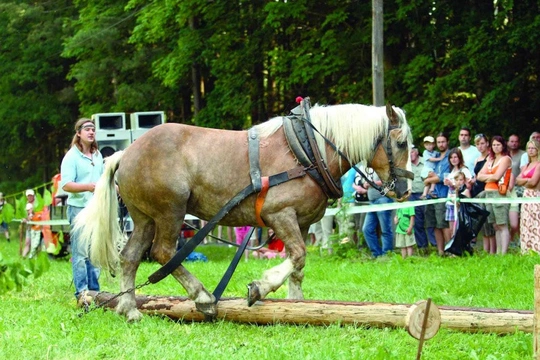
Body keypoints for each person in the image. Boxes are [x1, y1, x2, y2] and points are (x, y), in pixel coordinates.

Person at [60, 118, 104, 304]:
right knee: (80, 253)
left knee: (95, 252)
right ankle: (82, 293)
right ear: (78, 133)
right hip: (78, 209)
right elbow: (66, 185)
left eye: (93, 129)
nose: (91, 132)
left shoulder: (98, 155)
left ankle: (95, 292)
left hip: (96, 208)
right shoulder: (71, 156)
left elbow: (102, 181)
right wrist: (88, 187)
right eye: (87, 129)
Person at [477, 135, 512, 255]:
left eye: (498, 144)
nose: (496, 147)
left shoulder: (506, 159)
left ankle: (504, 253)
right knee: (495, 225)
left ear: (503, 145)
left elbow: (497, 176)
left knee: (502, 223)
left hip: (500, 193)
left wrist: (488, 177)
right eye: (494, 145)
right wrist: (490, 178)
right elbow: (479, 176)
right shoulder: (490, 159)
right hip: (488, 193)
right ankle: (498, 253)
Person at [424, 133, 451, 255]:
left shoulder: (450, 156)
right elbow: (426, 175)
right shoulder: (434, 156)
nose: (441, 144)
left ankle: (450, 249)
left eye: (443, 142)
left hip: (443, 195)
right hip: (432, 195)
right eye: (439, 142)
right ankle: (441, 251)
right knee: (434, 224)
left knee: (443, 224)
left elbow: (443, 177)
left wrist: (429, 180)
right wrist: (428, 179)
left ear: (447, 142)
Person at [361, 168, 394, 258]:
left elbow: (391, 182)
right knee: (367, 229)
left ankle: (387, 254)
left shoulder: (384, 167)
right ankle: (377, 254)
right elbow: (364, 184)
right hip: (372, 201)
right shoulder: (369, 169)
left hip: (384, 199)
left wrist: (373, 182)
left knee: (385, 229)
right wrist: (366, 184)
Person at [408, 146, 436, 252]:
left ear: (416, 152)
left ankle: (434, 244)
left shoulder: (425, 162)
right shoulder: (406, 165)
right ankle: (422, 247)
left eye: (411, 152)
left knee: (429, 220)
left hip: (425, 195)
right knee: (417, 222)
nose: (410, 155)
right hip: (412, 195)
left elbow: (432, 175)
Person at [472, 134, 496, 253]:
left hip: (487, 190)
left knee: (490, 223)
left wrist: (482, 178)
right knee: (483, 223)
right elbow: (477, 176)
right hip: (477, 191)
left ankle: (493, 251)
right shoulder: (477, 159)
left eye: (482, 143)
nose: (480, 146)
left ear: (487, 143)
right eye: (477, 144)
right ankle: (486, 251)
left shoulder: (491, 157)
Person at [516, 139, 540, 253]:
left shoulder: (539, 165)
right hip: (526, 196)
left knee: (536, 222)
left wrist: (524, 180)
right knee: (526, 222)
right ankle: (526, 249)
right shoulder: (526, 165)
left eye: (533, 148)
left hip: (535, 195)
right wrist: (526, 179)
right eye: (529, 148)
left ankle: (537, 248)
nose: (530, 150)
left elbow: (533, 182)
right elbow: (517, 180)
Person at [443, 148, 473, 232]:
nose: (453, 159)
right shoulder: (451, 171)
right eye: (451, 157)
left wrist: (452, 184)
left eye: (455, 157)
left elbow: (467, 187)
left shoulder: (464, 170)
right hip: (450, 201)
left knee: (459, 228)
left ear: (460, 158)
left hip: (460, 203)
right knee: (452, 228)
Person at [507, 134, 526, 245]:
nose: (514, 143)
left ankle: (518, 239)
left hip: (520, 188)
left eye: (516, 141)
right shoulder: (505, 155)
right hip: (506, 188)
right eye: (512, 141)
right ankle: (512, 239)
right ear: (508, 142)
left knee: (519, 215)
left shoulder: (523, 154)